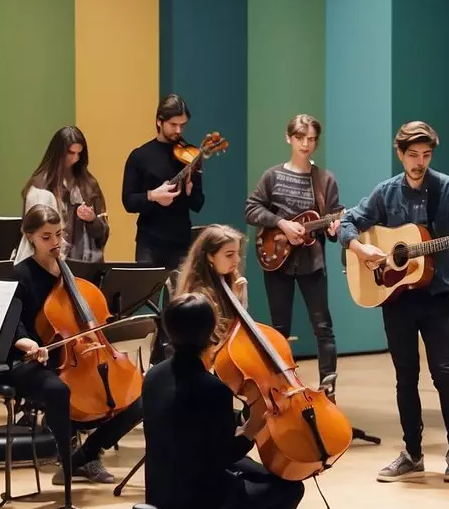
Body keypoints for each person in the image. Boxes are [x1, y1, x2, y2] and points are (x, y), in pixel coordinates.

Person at [338, 120, 449, 483]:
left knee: (443, 373)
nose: (419, 162)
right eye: (412, 155)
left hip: (436, 296)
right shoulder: (385, 193)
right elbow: (348, 222)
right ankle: (413, 452)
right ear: (400, 154)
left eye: (426, 155)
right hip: (396, 298)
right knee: (405, 377)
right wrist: (360, 248)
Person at [143, 292, 303, 509]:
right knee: (290, 486)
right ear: (210, 333)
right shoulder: (212, 389)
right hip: (198, 498)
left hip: (159, 488)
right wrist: (252, 428)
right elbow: (222, 456)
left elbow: (189, 438)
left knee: (265, 475)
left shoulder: (154, 375)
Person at [6, 205, 144, 485]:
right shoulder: (21, 275)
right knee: (61, 390)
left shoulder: (71, 274)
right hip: (40, 357)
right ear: (30, 236)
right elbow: (13, 325)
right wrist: (29, 344)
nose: (55, 243)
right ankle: (69, 455)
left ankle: (88, 453)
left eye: (59, 234)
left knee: (140, 398)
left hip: (82, 353)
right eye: (46, 237)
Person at [243, 114, 343, 394]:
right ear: (289, 138)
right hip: (277, 261)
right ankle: (279, 388)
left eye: (312, 139)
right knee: (279, 328)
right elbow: (251, 209)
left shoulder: (325, 180)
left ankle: (328, 391)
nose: (306, 144)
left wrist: (335, 227)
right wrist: (281, 223)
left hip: (313, 263)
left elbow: (333, 226)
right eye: (300, 138)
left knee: (323, 327)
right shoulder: (273, 176)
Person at [121, 93, 204, 268]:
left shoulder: (190, 155)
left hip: (181, 242)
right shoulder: (140, 156)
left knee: (180, 295)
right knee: (147, 294)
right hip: (149, 241)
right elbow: (128, 201)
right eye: (173, 125)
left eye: (182, 125)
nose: (179, 131)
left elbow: (198, 204)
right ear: (159, 121)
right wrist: (152, 196)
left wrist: (190, 190)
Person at [14, 126, 109, 264]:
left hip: (86, 264)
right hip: (51, 264)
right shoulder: (40, 188)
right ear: (58, 153)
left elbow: (102, 233)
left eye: (79, 153)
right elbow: (34, 234)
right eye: (71, 153)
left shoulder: (89, 184)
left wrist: (92, 219)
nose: (75, 159)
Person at [170, 224, 249, 360]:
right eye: (229, 255)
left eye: (238, 253)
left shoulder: (226, 279)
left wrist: (238, 298)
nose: (237, 260)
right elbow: (216, 342)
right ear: (210, 257)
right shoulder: (199, 295)